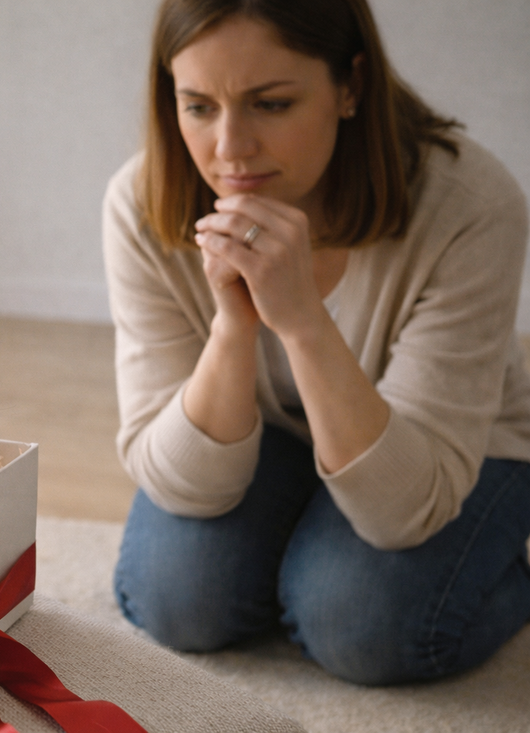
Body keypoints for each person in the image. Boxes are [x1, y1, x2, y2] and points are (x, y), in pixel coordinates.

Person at [104, 0, 530, 686]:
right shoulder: (140, 203)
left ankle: (499, 567)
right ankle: (309, 533)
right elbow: (180, 484)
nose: (229, 148)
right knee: (177, 602)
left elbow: (402, 509)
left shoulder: (470, 206)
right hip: (274, 432)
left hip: (457, 449)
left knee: (363, 623)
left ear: (351, 85)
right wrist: (235, 324)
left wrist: (302, 319)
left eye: (270, 104)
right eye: (198, 106)